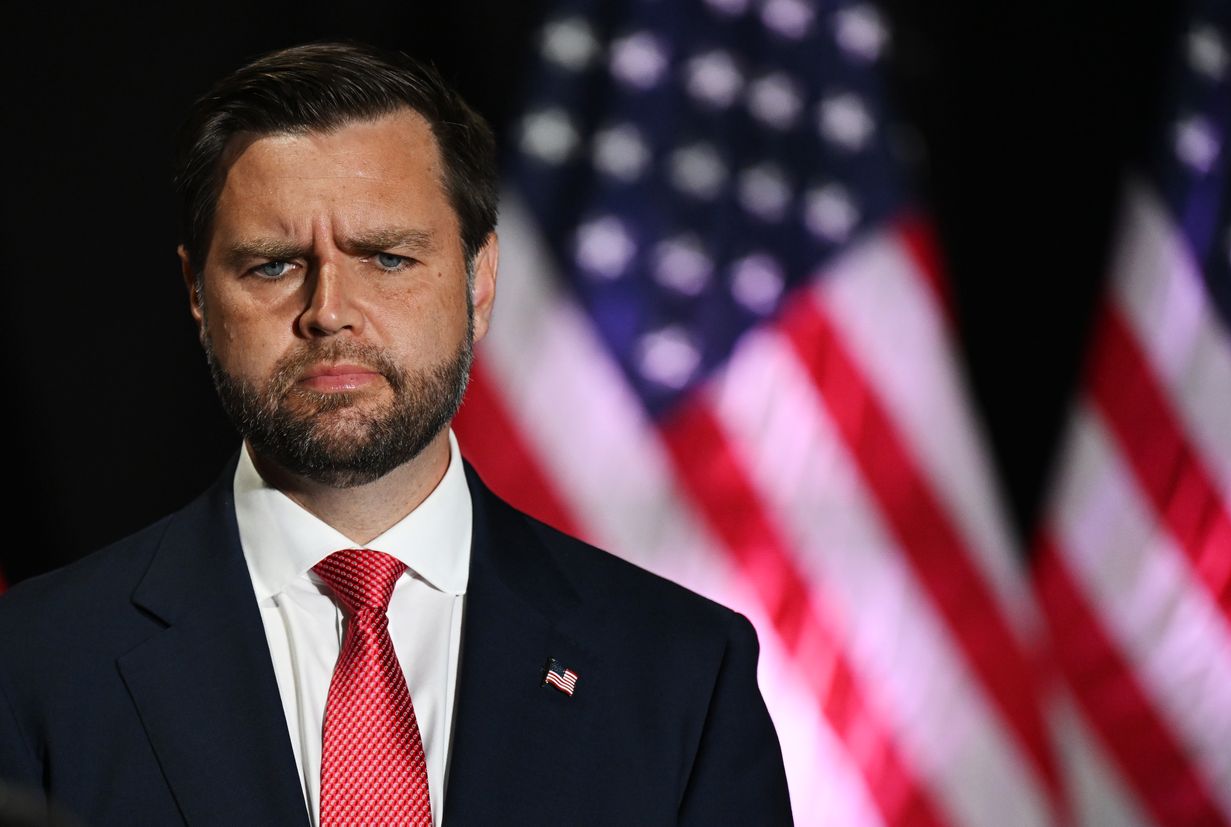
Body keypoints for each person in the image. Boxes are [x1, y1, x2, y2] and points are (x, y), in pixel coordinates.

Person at [0, 42, 792, 826]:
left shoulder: (685, 672)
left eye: (386, 257)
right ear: (196, 294)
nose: (329, 309)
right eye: (274, 265)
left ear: (480, 281)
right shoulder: (32, 662)